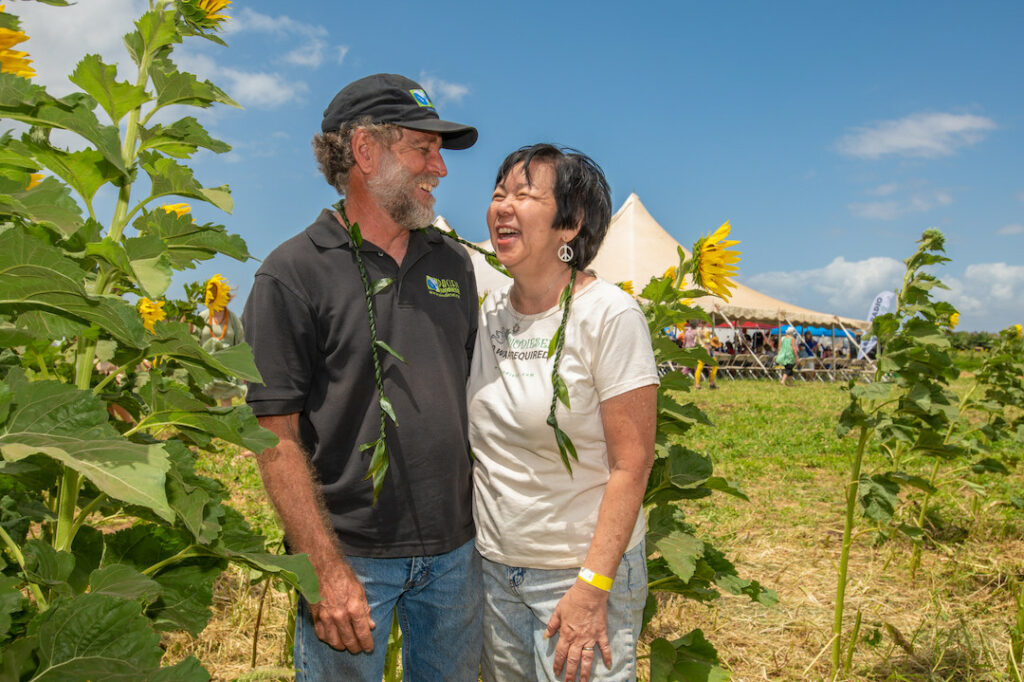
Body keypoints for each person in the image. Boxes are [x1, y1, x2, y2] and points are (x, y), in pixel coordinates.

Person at [243, 74, 481, 681]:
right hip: (352, 558)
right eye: (423, 149)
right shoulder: (292, 274)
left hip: (457, 553)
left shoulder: (453, 262)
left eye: (440, 152)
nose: (440, 168)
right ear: (365, 152)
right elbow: (275, 441)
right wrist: (322, 569)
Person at [468, 144, 658, 682]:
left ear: (570, 224)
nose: (502, 206)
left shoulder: (610, 317)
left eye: (524, 195)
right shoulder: (489, 316)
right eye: (498, 193)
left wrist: (592, 587)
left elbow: (632, 465)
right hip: (495, 571)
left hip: (578, 577)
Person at [197, 275, 246, 406]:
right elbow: (195, 340)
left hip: (226, 366)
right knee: (206, 398)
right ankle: (206, 425)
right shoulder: (203, 316)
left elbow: (240, 342)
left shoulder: (232, 318)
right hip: (207, 365)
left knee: (226, 398)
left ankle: (227, 424)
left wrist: (242, 369)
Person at [695, 321, 719, 389]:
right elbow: (706, 342)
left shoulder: (697, 331)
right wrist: (708, 352)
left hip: (700, 349)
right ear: (706, 323)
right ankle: (711, 383)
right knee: (715, 365)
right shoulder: (707, 331)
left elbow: (696, 342)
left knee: (699, 367)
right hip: (706, 349)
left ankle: (697, 384)